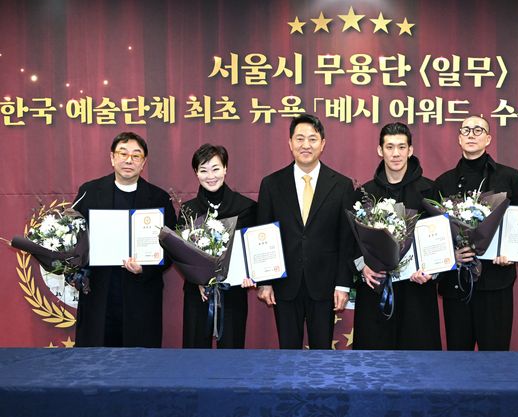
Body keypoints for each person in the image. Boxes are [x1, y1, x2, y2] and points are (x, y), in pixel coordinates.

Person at [256, 114, 354, 349]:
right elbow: (263, 234)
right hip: (284, 284)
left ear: (323, 144)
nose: (306, 145)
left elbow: (347, 239)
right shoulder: (271, 184)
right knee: (288, 352)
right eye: (300, 139)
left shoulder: (341, 185)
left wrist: (343, 284)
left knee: (322, 354)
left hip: (325, 285)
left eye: (312, 139)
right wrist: (265, 281)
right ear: (290, 143)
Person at [73, 132, 177, 347]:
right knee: (96, 357)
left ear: (143, 162)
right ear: (112, 158)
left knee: (139, 359)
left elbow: (173, 249)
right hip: (99, 291)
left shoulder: (159, 199)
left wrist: (144, 268)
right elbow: (74, 236)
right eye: (123, 153)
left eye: (136, 155)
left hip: (141, 294)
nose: (129, 160)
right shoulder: (89, 192)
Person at [434, 115, 518, 351]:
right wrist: (451, 256)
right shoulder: (443, 183)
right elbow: (435, 232)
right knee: (458, 357)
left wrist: (511, 252)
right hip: (457, 284)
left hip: (496, 281)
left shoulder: (508, 177)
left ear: (488, 139)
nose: (471, 135)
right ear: (459, 138)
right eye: (466, 130)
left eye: (478, 130)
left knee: (495, 358)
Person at [354, 122, 442, 350]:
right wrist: (363, 266)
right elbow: (351, 240)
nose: (396, 153)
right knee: (375, 361)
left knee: (418, 360)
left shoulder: (430, 190)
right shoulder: (364, 194)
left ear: (410, 150)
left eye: (401, 147)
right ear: (380, 150)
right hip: (377, 288)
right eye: (390, 147)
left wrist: (432, 270)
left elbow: (441, 237)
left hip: (417, 290)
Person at [181, 144, 257, 349]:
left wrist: (252, 273)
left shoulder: (246, 207)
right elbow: (180, 253)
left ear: (225, 169)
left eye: (215, 168)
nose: (210, 176)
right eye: (203, 170)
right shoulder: (188, 210)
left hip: (233, 293)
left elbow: (253, 249)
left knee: (231, 355)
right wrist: (196, 278)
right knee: (195, 355)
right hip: (198, 294)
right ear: (196, 172)